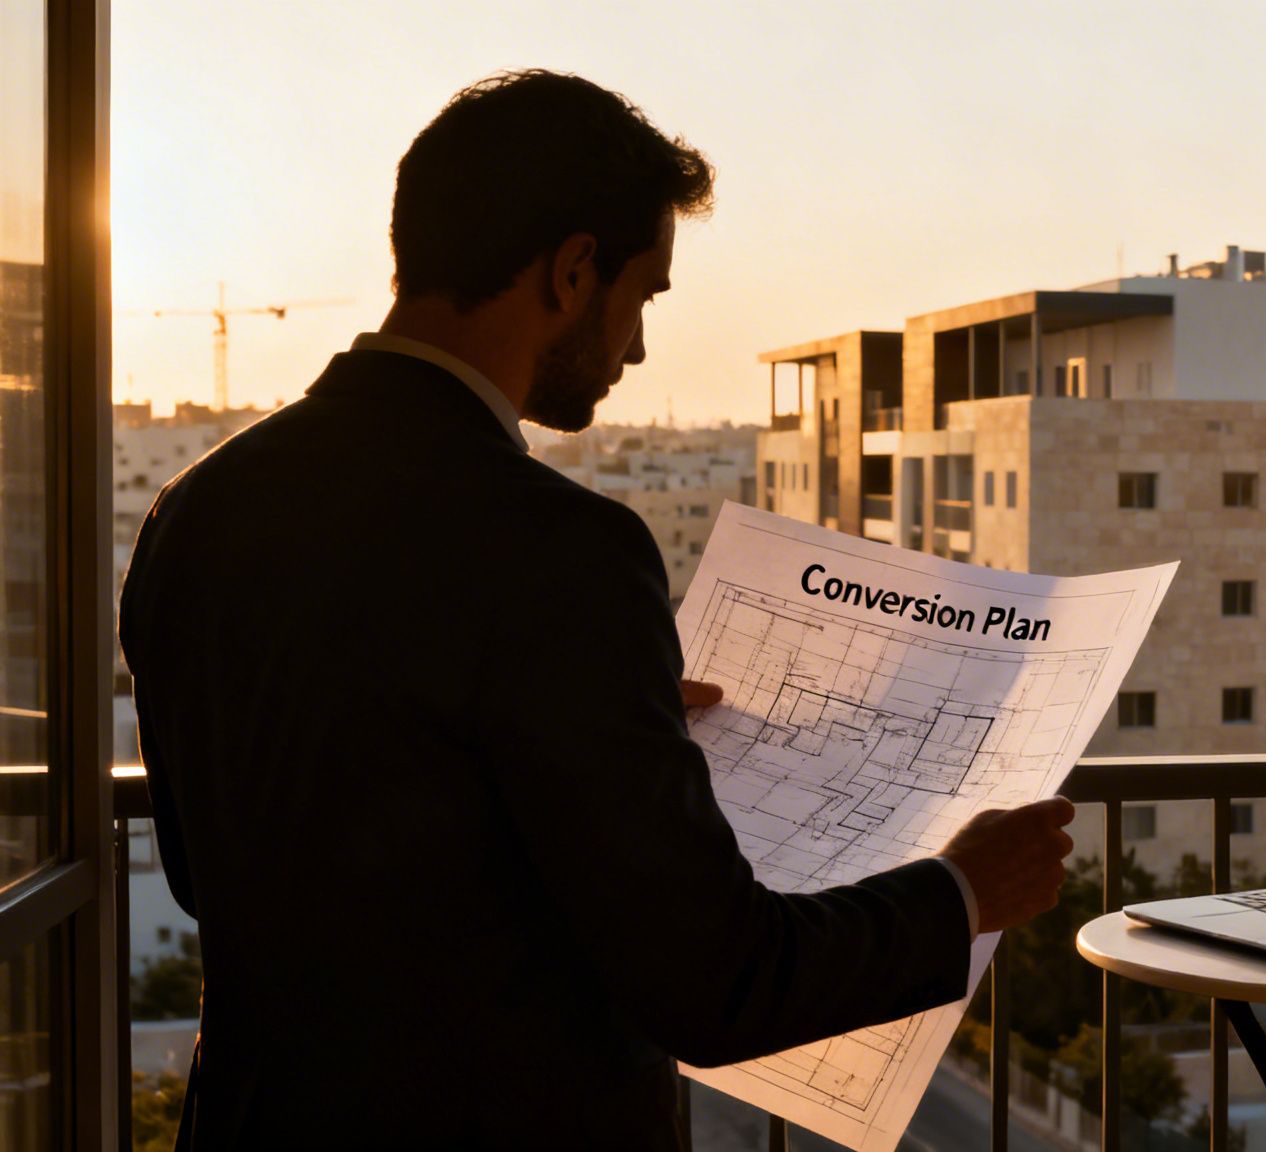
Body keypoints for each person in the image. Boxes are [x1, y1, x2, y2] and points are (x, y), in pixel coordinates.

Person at [119, 70, 1076, 1152]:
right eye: (646, 295)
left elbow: (218, 869)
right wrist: (959, 893)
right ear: (573, 270)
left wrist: (587, 721)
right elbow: (717, 985)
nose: (637, 348)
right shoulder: (559, 550)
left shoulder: (192, 509)